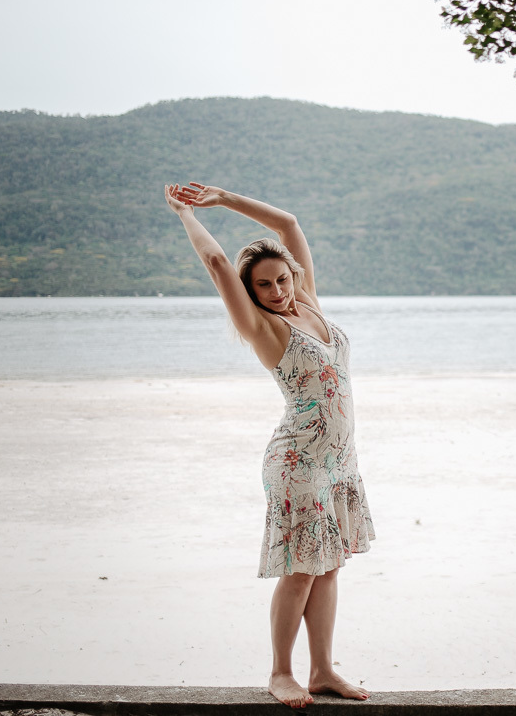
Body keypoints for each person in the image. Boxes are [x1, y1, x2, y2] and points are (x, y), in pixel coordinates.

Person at [165, 182, 376, 709]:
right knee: (301, 567)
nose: (278, 290)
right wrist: (186, 213)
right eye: (264, 285)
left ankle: (323, 670)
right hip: (298, 460)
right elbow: (216, 261)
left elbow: (288, 225)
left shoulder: (309, 304)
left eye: (282, 278)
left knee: (329, 565)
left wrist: (223, 196)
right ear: (252, 292)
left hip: (339, 461)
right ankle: (281, 673)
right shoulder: (265, 327)